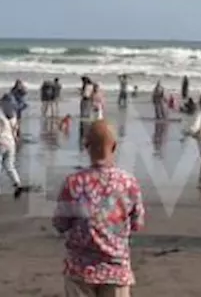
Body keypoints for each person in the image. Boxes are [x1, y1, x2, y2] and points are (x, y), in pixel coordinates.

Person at [54, 120, 144, 297]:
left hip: (80, 268)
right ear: (115, 146)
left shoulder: (74, 183)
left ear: (86, 146)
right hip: (116, 267)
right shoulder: (128, 183)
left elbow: (60, 224)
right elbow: (137, 224)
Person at [0, 99, 26, 198]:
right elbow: (15, 130)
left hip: (0, 142)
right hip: (11, 143)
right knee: (10, 166)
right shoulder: (13, 116)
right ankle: (17, 183)